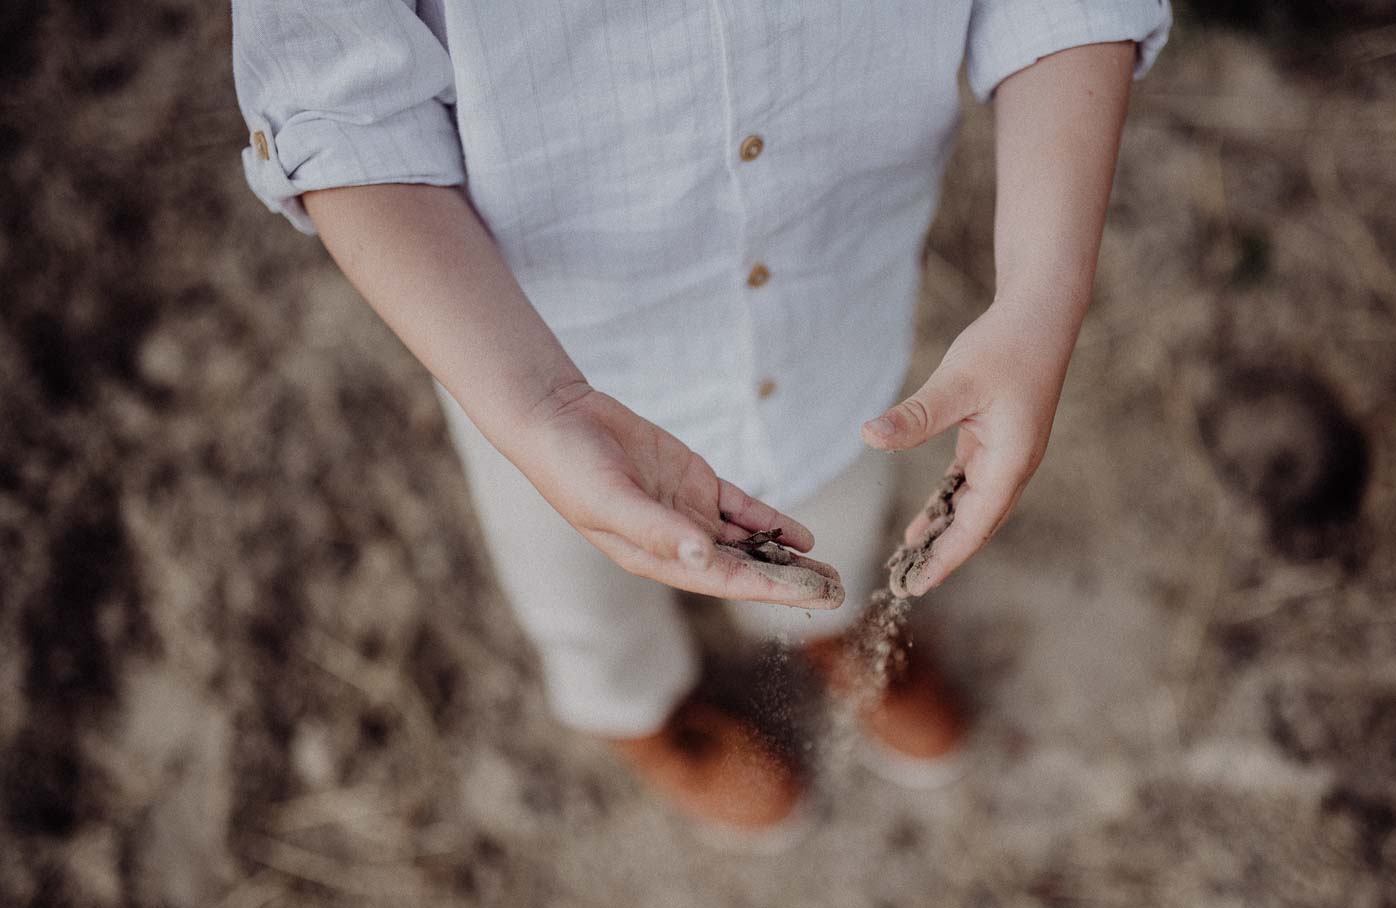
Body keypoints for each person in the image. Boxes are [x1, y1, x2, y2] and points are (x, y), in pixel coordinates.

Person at [231, 0, 1171, 845]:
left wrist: (1044, 295)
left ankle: (830, 626)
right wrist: (540, 405)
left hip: (836, 298)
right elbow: (343, 110)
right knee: (579, 590)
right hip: (535, 351)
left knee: (838, 496)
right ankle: (644, 716)